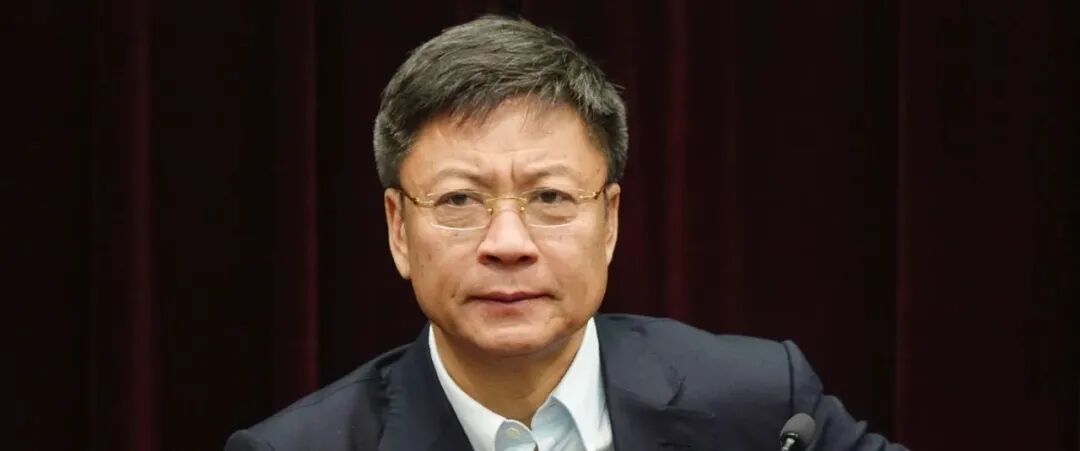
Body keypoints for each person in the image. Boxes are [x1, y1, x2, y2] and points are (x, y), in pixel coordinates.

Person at [225, 15, 906, 451]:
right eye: (460, 200)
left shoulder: (762, 404)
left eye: (549, 197)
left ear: (610, 221)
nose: (508, 243)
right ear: (399, 229)